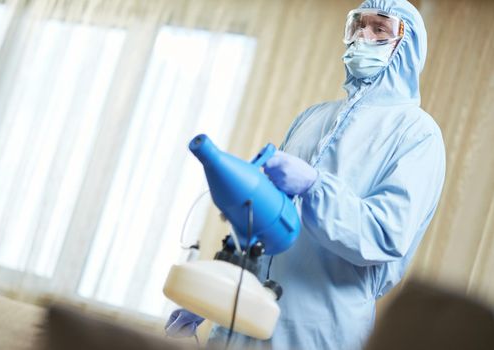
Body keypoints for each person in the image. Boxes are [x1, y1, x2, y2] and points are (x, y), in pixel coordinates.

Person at [165, 0, 446, 349]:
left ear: (407, 46)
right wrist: (217, 288)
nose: (363, 35)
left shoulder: (417, 133)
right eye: (358, 25)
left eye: (379, 29)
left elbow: (385, 234)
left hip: (318, 331)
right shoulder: (313, 118)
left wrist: (315, 186)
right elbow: (264, 222)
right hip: (243, 318)